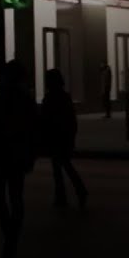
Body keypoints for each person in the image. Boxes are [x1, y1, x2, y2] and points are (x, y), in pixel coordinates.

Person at [0, 61, 38, 258]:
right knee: (16, 196)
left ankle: (9, 235)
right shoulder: (26, 100)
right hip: (17, 155)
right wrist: (31, 154)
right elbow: (33, 131)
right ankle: (12, 236)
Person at [41, 68, 87, 208]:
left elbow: (44, 120)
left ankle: (65, 196)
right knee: (65, 165)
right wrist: (72, 136)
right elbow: (72, 120)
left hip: (55, 138)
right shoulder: (65, 97)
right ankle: (73, 193)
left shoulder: (49, 98)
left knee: (60, 168)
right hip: (64, 137)